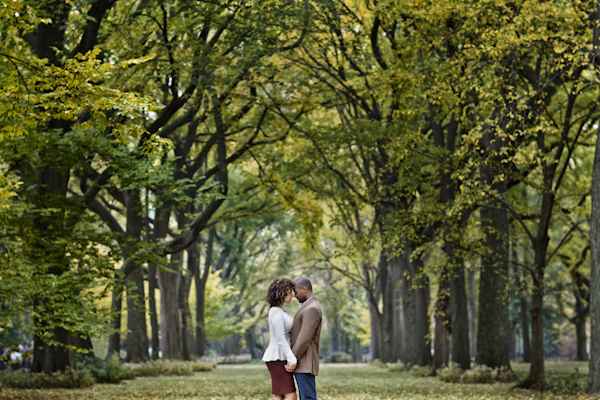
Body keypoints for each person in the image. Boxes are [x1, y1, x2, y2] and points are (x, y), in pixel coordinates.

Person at [262, 278, 298, 400]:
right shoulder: (275, 312)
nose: (292, 295)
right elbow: (281, 338)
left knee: (280, 394)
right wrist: (292, 359)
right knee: (291, 395)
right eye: (289, 292)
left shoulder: (279, 311)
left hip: (280, 357)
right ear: (281, 293)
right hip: (277, 358)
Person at [288, 277, 323, 400]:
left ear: (304, 289)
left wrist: (292, 358)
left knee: (308, 398)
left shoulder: (312, 308)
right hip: (302, 361)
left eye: (296, 292)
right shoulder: (308, 306)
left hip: (305, 361)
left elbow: (304, 338)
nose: (294, 295)